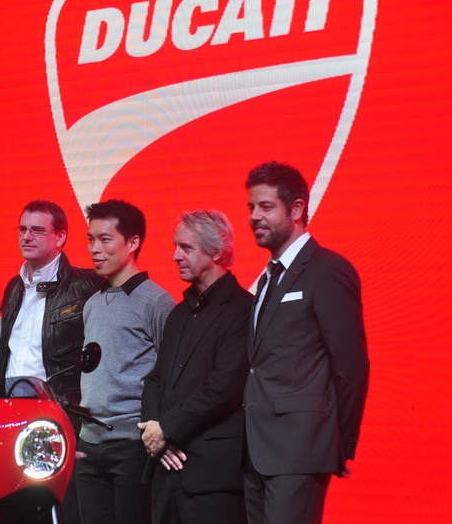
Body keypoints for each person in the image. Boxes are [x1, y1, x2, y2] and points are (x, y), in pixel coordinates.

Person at [243, 162, 370, 523]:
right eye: (251, 207)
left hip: (300, 449)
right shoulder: (267, 279)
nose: (254, 216)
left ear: (297, 209)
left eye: (266, 207)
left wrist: (340, 442)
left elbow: (350, 364)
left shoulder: (328, 270)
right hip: (256, 450)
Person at [139, 209, 252, 524]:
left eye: (186, 247)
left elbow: (224, 386)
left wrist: (166, 429)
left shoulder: (244, 310)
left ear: (216, 252)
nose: (175, 256)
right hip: (165, 471)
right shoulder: (178, 314)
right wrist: (154, 433)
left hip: (212, 477)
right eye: (176, 246)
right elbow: (155, 379)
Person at [0, 200, 101, 524]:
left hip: (61, 418)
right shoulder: (14, 288)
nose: (26, 237)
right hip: (12, 419)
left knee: (64, 512)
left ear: (61, 237)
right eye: (22, 229)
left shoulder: (85, 285)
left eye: (37, 230)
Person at [77, 199, 175, 524]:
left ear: (132, 243)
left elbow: (170, 375)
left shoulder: (156, 302)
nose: (95, 248)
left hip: (133, 444)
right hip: (88, 443)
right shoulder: (91, 303)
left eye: (105, 239)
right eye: (91, 239)